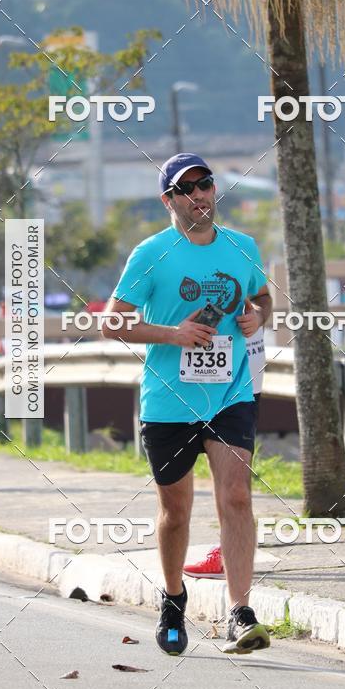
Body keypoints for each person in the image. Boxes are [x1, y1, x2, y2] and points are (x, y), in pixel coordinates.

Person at [103, 153, 272, 656]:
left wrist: (257, 318)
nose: (200, 195)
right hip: (168, 402)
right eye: (187, 189)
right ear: (169, 200)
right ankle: (173, 598)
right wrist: (174, 334)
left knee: (236, 497)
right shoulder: (151, 254)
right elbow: (114, 323)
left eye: (206, 185)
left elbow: (262, 298)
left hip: (231, 394)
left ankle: (239, 611)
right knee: (175, 512)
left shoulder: (243, 247)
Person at [183, 326, 265, 580]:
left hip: (243, 357)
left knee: (233, 469)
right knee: (224, 465)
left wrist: (257, 314)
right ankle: (228, 547)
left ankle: (228, 549)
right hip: (205, 358)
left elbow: (260, 298)